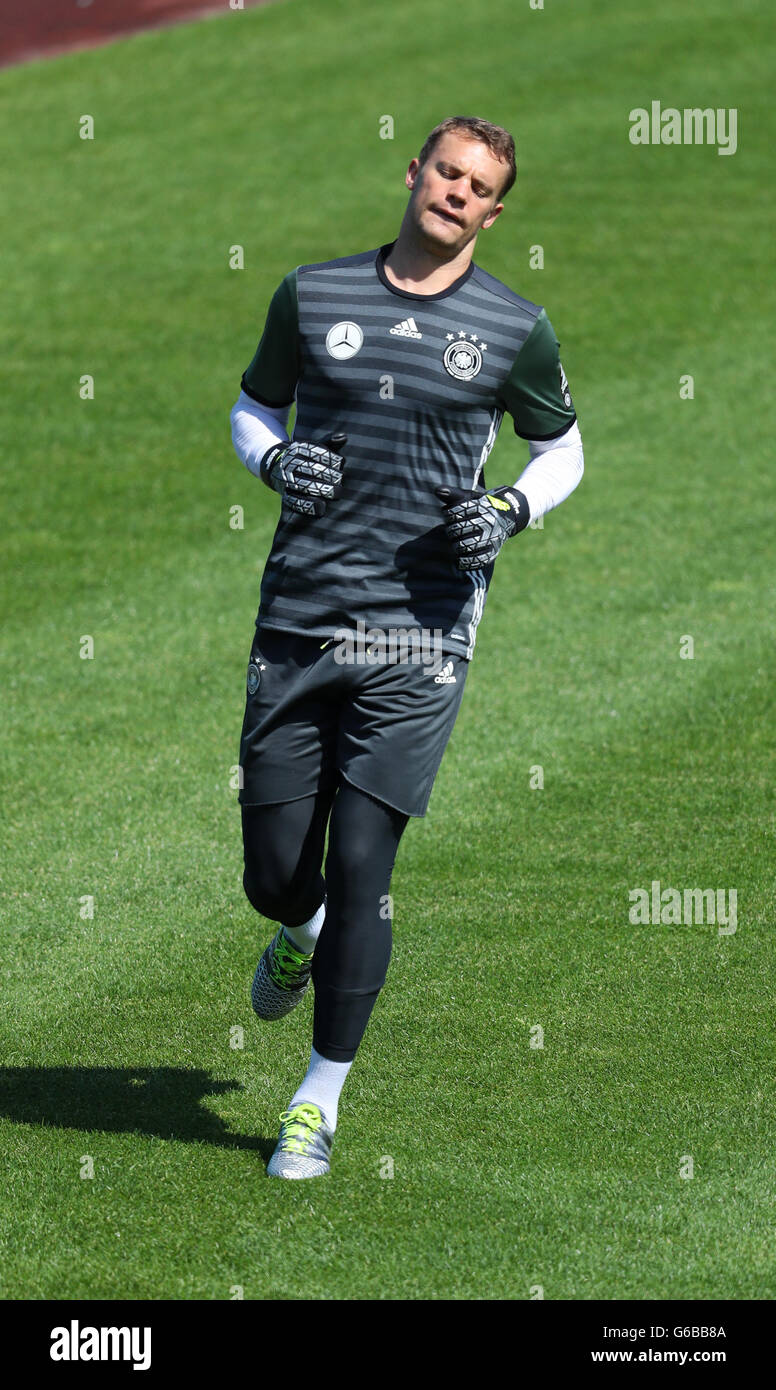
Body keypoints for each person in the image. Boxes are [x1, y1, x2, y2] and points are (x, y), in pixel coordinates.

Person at [229, 115, 584, 1178]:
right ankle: (299, 927)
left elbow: (560, 449)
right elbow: (254, 406)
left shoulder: (515, 328)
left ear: (492, 211)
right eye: (445, 173)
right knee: (276, 872)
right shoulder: (313, 293)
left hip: (422, 635)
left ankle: (315, 1100)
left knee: (368, 864)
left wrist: (513, 507)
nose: (456, 195)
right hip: (300, 620)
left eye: (478, 189)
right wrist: (272, 463)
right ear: (412, 172)